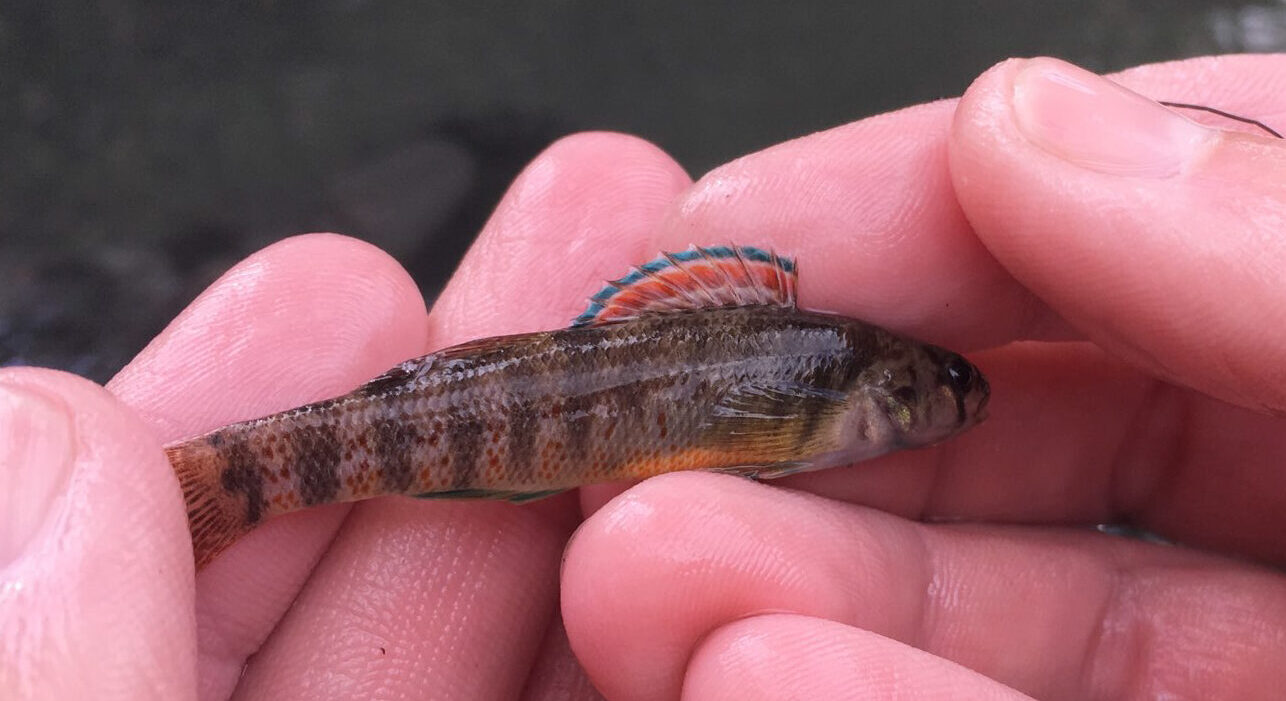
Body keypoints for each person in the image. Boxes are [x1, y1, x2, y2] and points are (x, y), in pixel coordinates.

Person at [4, 55, 1285, 700]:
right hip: (535, 407)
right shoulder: (826, 390)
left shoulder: (822, 384)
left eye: (949, 387)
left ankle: (227, 482)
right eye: (946, 386)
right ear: (893, 390)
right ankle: (225, 483)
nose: (958, 401)